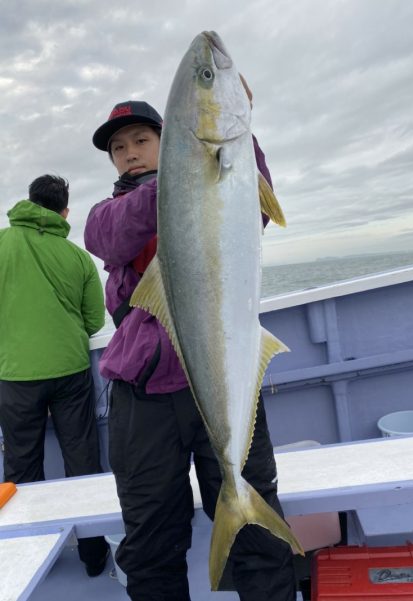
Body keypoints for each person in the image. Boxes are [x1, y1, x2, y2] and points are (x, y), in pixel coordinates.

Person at [84, 94, 297, 601]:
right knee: (151, 542)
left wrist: (229, 123)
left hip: (226, 381)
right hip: (143, 398)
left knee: (258, 539)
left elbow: (249, 196)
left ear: (169, 138)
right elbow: (107, 239)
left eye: (142, 139)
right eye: (118, 147)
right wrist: (180, 177)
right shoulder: (109, 214)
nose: (130, 152)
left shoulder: (221, 189)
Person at [0, 175, 110, 577]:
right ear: (65, 211)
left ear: (29, 203)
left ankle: (29, 557)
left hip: (14, 375)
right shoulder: (77, 257)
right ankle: (94, 555)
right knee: (81, 460)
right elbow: (95, 320)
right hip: (70, 371)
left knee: (22, 466)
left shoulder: (1, 243)